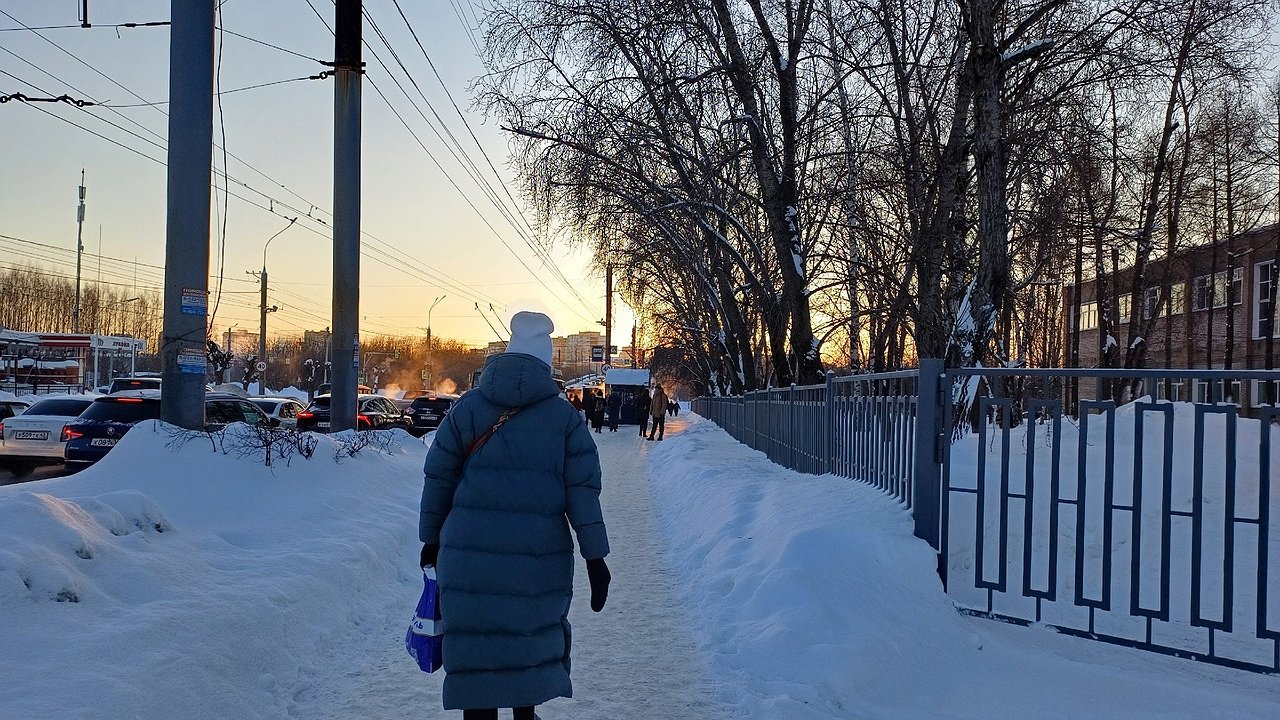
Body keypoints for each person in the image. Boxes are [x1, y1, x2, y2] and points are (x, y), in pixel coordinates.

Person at [419, 311, 612, 720]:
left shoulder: (467, 409)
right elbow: (583, 493)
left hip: (467, 557)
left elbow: (438, 476)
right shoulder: (564, 419)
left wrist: (431, 538)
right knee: (526, 646)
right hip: (536, 560)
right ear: (546, 364)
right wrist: (595, 557)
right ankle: (525, 713)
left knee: (477, 655)